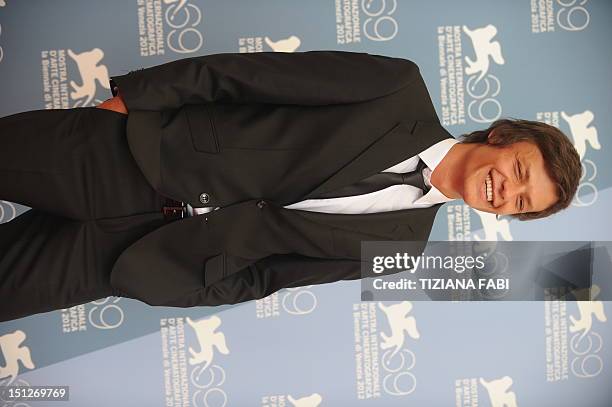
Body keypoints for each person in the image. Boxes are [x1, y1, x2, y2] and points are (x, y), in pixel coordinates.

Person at [0, 51, 581, 322]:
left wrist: (190, 287)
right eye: (520, 173)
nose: (506, 192)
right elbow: (250, 77)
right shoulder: (398, 90)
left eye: (521, 204)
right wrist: (136, 101)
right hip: (122, 156)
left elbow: (273, 275)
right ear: (503, 136)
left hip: (135, 257)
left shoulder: (402, 249)